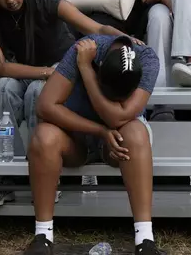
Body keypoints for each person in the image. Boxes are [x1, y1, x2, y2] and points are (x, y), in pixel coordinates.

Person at [0, 0, 125, 206]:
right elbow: (1, 67)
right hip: (31, 71)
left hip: (63, 70)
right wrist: (45, 72)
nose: (10, 0)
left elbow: (95, 28)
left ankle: (46, 176)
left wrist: (128, 41)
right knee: (2, 89)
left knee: (39, 91)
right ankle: (0, 179)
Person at [24, 34, 164, 255]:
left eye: (120, 98)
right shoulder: (84, 49)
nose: (113, 102)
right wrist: (99, 129)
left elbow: (118, 118)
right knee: (44, 136)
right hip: (77, 137)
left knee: (136, 132)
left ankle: (145, 239)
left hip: (119, 140)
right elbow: (45, 106)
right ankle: (43, 235)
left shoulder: (147, 59)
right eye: (109, 96)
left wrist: (85, 70)